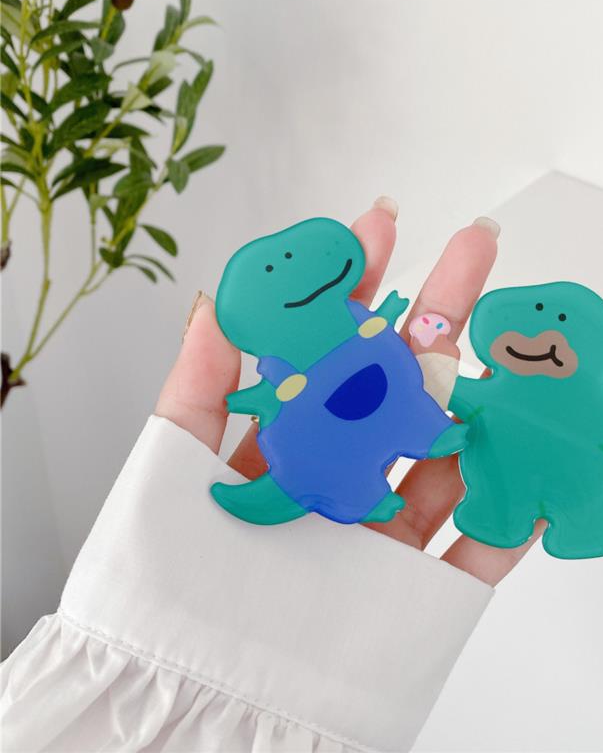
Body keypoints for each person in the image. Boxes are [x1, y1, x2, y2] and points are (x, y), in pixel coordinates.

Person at [0, 199, 543, 752]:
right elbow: (269, 393)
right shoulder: (287, 356)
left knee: (413, 413)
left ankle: (427, 439)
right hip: (321, 426)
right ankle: (377, 490)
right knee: (366, 463)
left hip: (386, 389)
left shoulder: (356, 324)